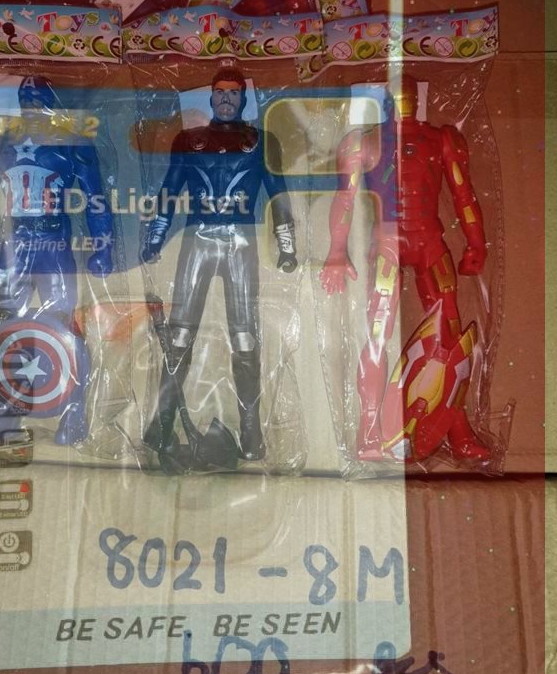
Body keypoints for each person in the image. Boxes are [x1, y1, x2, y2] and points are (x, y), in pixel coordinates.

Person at [320, 75, 488, 462]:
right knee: (377, 335)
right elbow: (344, 198)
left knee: (450, 339)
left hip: (428, 241)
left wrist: (476, 244)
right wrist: (336, 251)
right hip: (389, 244)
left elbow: (464, 195)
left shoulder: (440, 140)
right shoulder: (365, 142)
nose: (403, 101)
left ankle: (457, 429)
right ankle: (369, 429)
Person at [141, 66, 297, 461]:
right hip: (198, 239)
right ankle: (163, 421)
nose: (226, 99)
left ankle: (251, 431)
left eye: (233, 92)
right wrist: (155, 238)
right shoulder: (188, 140)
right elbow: (169, 192)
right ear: (211, 96)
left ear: (243, 97)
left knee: (245, 338)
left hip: (240, 242)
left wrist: (287, 245)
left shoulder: (261, 142)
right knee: (179, 335)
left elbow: (278, 195)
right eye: (220, 92)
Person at [0, 75, 113, 445]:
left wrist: (103, 247)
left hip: (54, 242)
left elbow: (96, 199)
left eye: (38, 98)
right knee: (7, 330)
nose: (31, 105)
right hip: (16, 243)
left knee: (64, 328)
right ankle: (7, 413)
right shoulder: (2, 144)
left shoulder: (73, 142)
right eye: (26, 99)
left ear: (51, 102)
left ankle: (75, 412)